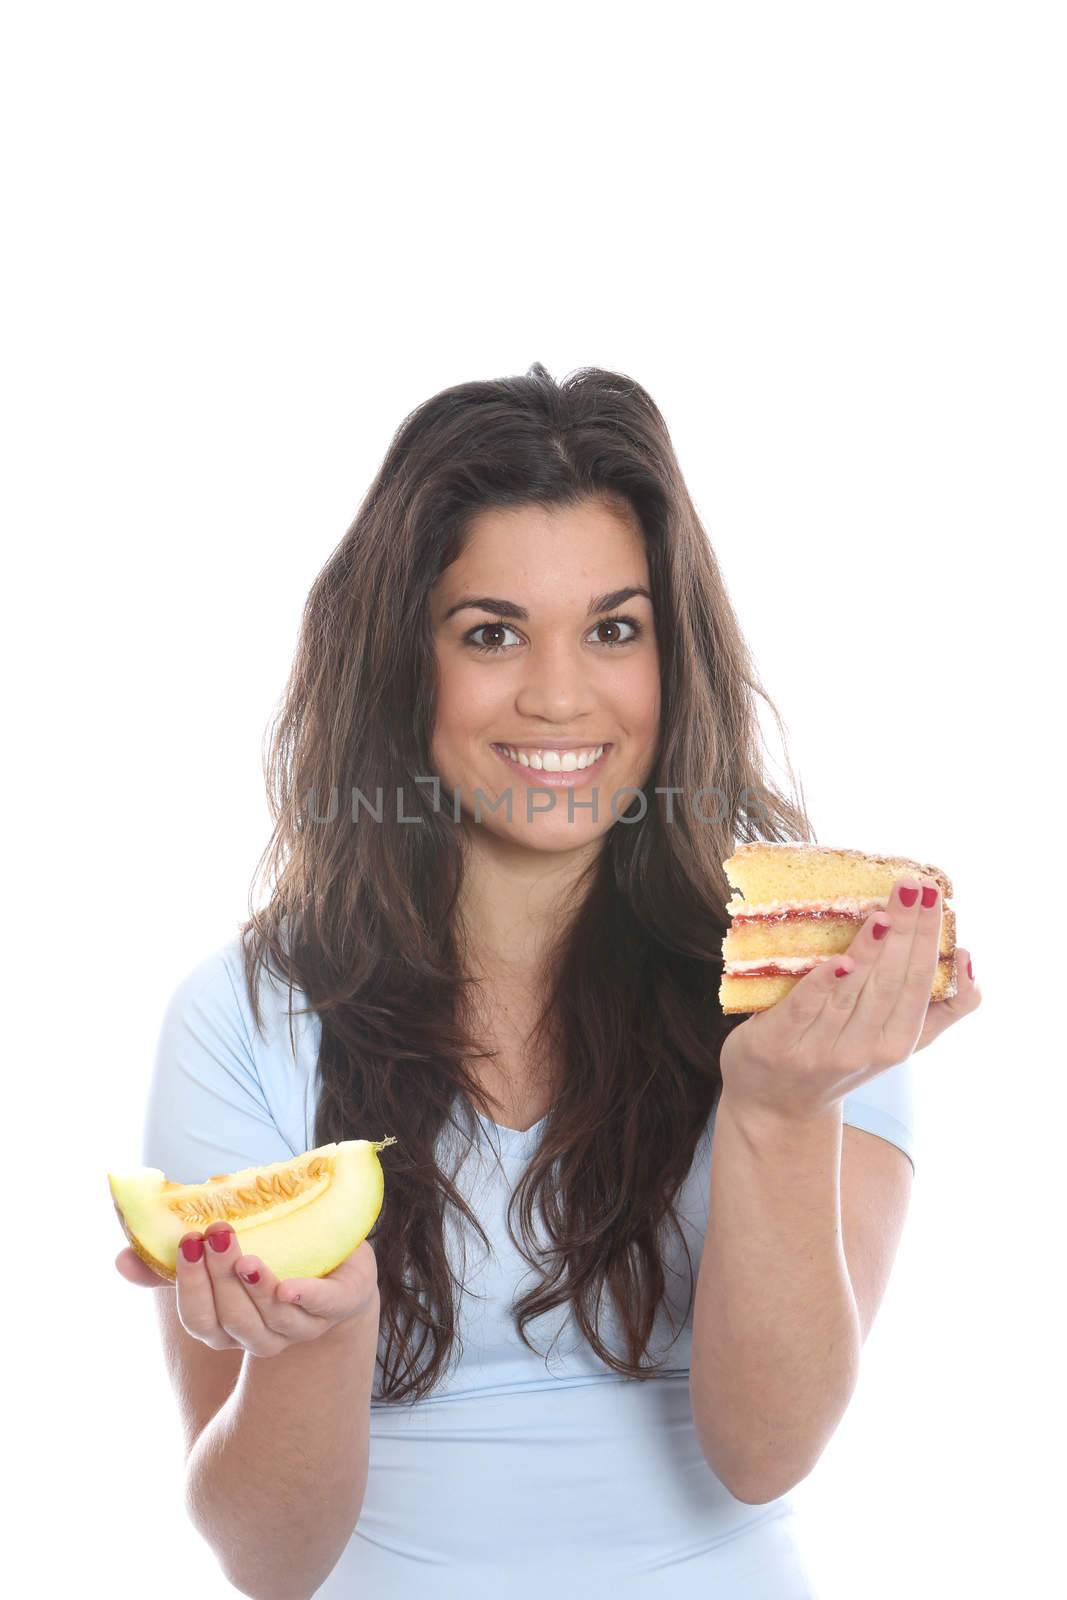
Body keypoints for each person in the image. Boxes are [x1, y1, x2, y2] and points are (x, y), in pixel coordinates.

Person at [116, 363, 976, 1597]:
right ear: (400, 664)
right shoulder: (241, 1018)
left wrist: (780, 1112)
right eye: (491, 633)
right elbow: (268, 1560)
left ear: (672, 661)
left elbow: (766, 1451)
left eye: (613, 629)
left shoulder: (811, 995)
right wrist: (325, 1331)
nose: (561, 693)